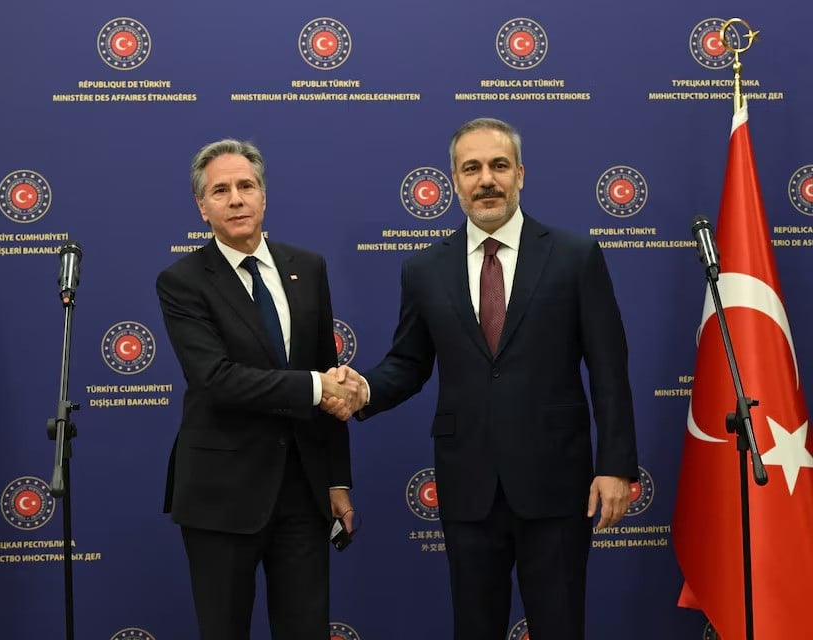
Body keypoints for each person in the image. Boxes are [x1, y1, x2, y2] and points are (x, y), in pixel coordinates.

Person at [326, 118, 638, 640]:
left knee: (561, 625)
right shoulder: (424, 268)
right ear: (454, 180)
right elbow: (408, 362)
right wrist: (364, 390)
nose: (485, 179)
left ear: (520, 173)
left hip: (557, 482)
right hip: (467, 483)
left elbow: (609, 369)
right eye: (472, 168)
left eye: (498, 166)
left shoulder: (575, 256)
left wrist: (616, 466)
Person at [156, 138, 357, 640]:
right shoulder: (181, 281)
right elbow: (216, 378)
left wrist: (337, 480)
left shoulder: (307, 268)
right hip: (221, 495)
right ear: (202, 208)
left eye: (246, 186)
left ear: (264, 197)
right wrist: (314, 386)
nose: (236, 199)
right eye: (220, 190)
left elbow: (328, 377)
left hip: (302, 491)